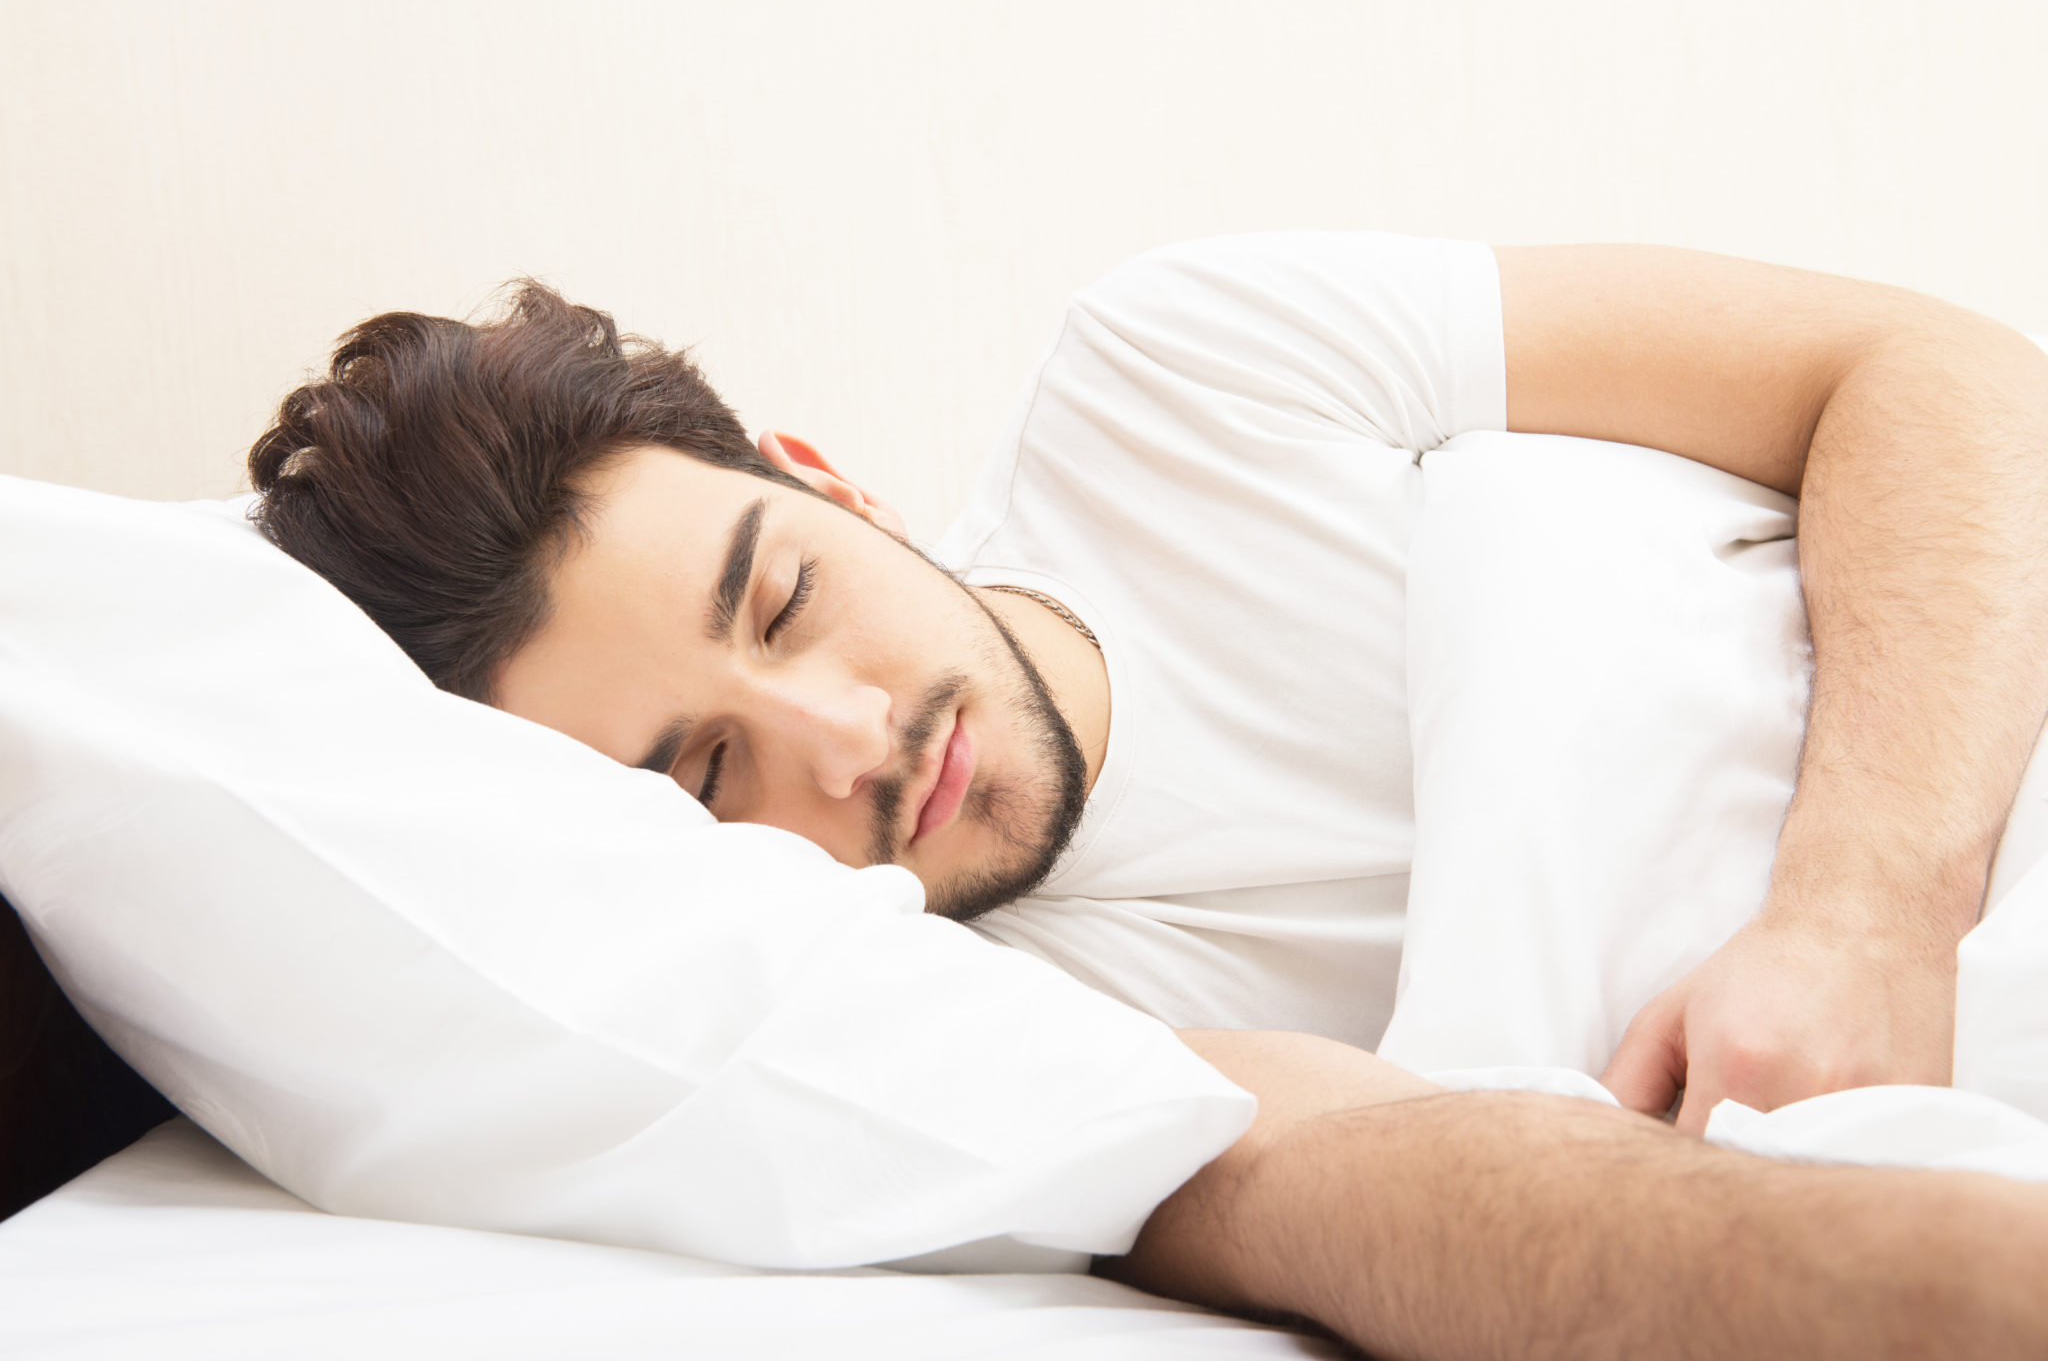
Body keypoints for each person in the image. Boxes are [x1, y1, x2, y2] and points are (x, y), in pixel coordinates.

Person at [246, 234, 2048, 1355]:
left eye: (785, 597)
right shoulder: (945, 1036)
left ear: (829, 482)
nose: (847, 740)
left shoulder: (1174, 375)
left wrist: (1865, 911)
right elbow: (1361, 1179)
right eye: (709, 773)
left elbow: (1922, 373)